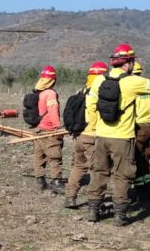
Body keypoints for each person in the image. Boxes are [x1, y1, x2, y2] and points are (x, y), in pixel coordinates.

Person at [84, 44, 150, 225]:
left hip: (101, 135)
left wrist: (96, 126)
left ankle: (93, 210)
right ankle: (120, 215)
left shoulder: (99, 80)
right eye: (133, 61)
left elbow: (90, 106)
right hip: (122, 137)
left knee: (99, 171)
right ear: (128, 63)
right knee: (122, 175)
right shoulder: (132, 82)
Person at [63, 61, 108, 208]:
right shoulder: (100, 93)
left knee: (78, 166)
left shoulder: (80, 91)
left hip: (78, 136)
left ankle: (70, 197)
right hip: (92, 136)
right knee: (97, 169)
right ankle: (95, 201)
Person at [32, 65, 65, 194]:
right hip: (49, 130)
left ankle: (41, 181)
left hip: (38, 129)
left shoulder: (38, 92)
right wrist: (58, 127)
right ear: (53, 80)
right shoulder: (50, 93)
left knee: (39, 157)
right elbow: (52, 111)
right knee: (55, 157)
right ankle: (56, 182)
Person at [131, 61, 150, 207]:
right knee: (145, 160)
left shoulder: (133, 89)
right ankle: (147, 191)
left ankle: (140, 194)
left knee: (136, 160)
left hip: (138, 128)